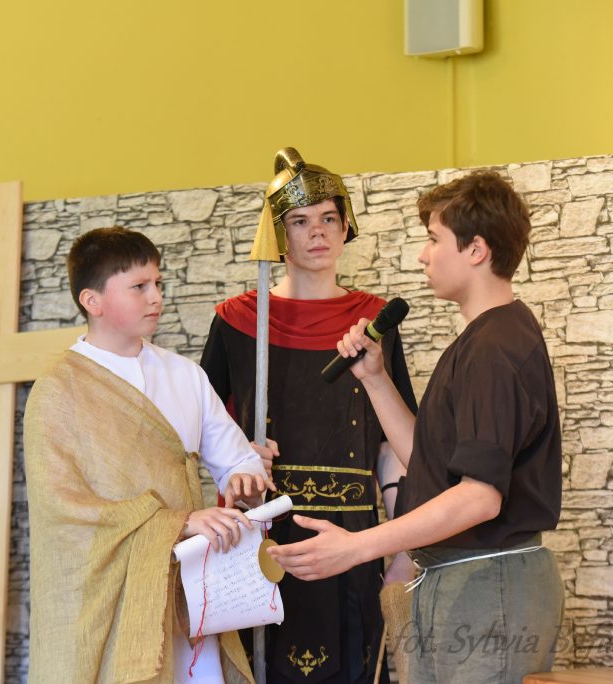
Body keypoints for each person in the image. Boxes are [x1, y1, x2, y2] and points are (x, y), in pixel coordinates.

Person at [268, 171, 565, 683]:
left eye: (433, 240)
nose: (423, 256)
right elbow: (430, 465)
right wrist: (375, 379)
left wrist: (359, 546)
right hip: (463, 581)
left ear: (476, 250)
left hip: (488, 586)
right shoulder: (482, 339)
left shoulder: (496, 349)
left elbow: (479, 497)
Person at [201, 148, 417, 684]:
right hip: (263, 529)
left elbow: (393, 446)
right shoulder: (236, 322)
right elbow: (195, 433)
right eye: (299, 221)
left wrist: (405, 545)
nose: (317, 232)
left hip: (354, 533)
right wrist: (235, 459)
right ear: (280, 235)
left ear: (346, 227)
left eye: (328, 219)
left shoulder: (373, 323)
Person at [24, 226, 276, 684]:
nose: (156, 297)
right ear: (92, 301)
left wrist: (244, 478)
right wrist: (177, 522)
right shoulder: (58, 391)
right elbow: (62, 509)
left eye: (158, 283)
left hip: (187, 588)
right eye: (139, 286)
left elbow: (237, 459)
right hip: (108, 602)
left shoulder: (185, 375)